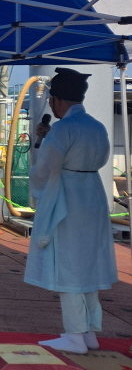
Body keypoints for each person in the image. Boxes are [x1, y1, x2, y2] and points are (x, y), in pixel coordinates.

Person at [26, 68, 118, 354]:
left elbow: (47, 167)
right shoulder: (96, 126)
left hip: (67, 198)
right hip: (92, 194)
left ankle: (75, 335)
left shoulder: (64, 128)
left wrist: (36, 183)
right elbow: (91, 154)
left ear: (57, 100)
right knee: (87, 264)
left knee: (68, 266)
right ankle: (89, 332)